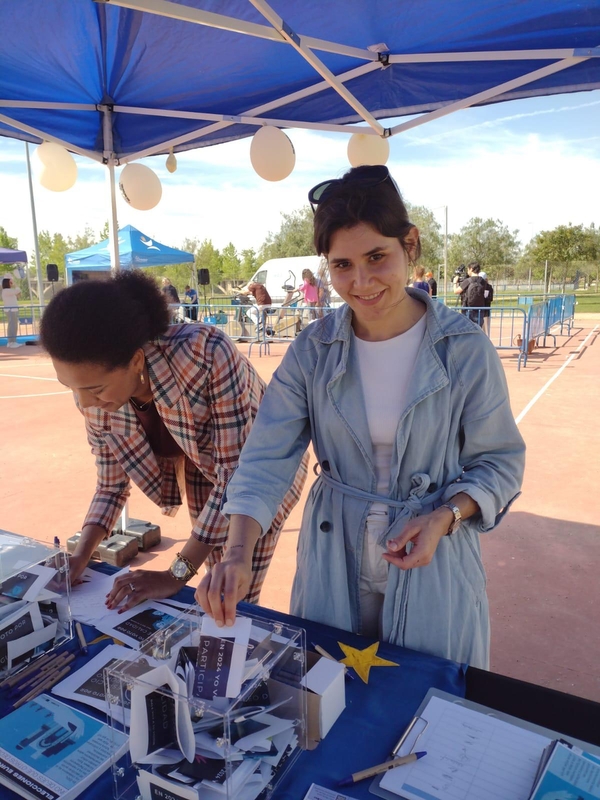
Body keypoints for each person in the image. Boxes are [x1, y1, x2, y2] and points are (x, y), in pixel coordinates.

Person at [197, 164, 525, 669]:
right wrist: (238, 553)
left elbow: (499, 462)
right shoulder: (313, 349)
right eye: (342, 265)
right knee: (327, 693)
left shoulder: (465, 349)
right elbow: (266, 456)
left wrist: (445, 516)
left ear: (410, 245)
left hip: (433, 557)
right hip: (333, 554)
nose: (362, 281)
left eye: (377, 257)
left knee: (426, 702)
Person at [39, 271, 307, 612]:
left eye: (94, 389)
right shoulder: (92, 399)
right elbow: (110, 486)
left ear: (136, 360)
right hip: (200, 468)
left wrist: (175, 575)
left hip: (259, 476)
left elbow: (236, 477)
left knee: (232, 592)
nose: (85, 403)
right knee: (214, 576)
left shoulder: (206, 354)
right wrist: (80, 556)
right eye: (73, 389)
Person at [453, 262, 488, 327]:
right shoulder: (483, 281)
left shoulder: (468, 281)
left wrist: (455, 283)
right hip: (480, 309)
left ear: (471, 269)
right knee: (478, 330)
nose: (467, 271)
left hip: (468, 309)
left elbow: (456, 291)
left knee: (467, 329)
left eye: (468, 269)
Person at [2, 276, 22, 348]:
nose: (11, 284)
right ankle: (11, 342)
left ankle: (13, 341)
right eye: (10, 282)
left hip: (13, 310)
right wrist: (15, 285)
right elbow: (17, 290)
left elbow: (18, 293)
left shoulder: (8, 291)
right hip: (11, 310)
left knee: (14, 325)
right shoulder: (6, 291)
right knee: (12, 326)